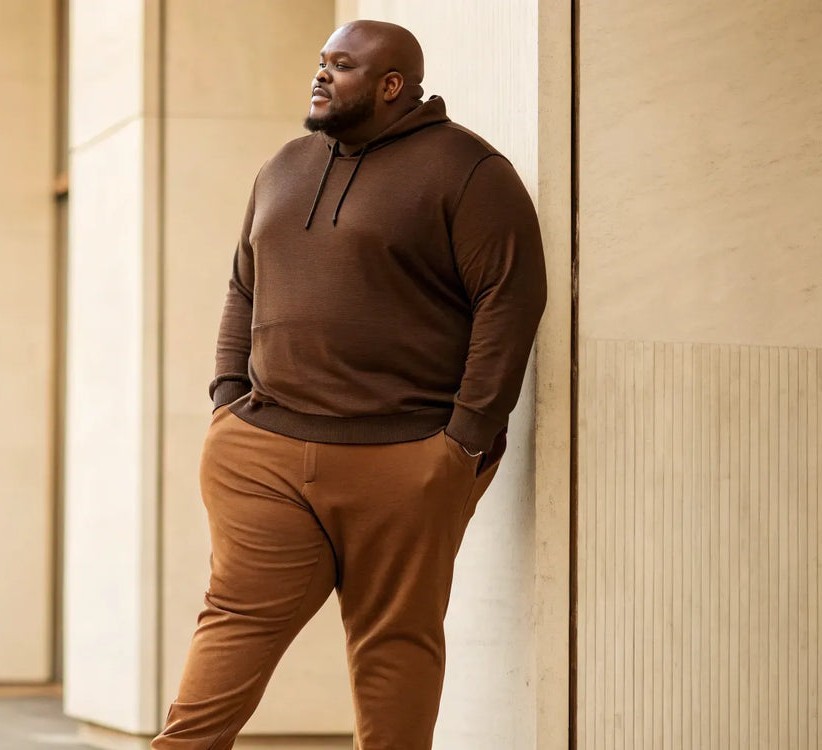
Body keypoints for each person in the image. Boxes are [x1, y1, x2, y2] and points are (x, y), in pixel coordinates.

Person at [152, 20, 547, 750]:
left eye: (342, 65)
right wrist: (225, 397)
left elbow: (511, 299)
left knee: (394, 644)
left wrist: (463, 439)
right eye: (321, 61)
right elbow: (244, 284)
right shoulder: (285, 165)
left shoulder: (468, 171)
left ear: (392, 85)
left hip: (403, 456)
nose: (322, 75)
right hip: (263, 450)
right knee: (233, 624)